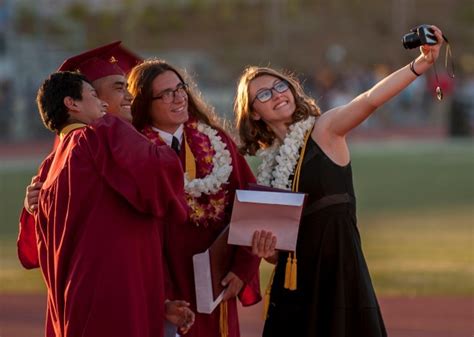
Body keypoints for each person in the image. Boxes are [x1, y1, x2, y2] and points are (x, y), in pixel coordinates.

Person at [235, 25, 444, 337]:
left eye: (280, 86)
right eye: (264, 94)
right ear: (253, 113)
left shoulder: (325, 130)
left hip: (337, 273)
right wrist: (267, 251)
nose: (277, 94)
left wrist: (420, 65)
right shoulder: (271, 167)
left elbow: (369, 100)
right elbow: (277, 252)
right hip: (294, 284)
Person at [18, 45, 195, 336]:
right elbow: (162, 174)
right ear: (75, 103)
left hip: (76, 307)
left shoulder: (49, 167)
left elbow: (38, 251)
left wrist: (157, 301)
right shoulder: (101, 134)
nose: (129, 96)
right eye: (117, 88)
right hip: (113, 305)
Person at [128, 59, 262, 337]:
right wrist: (162, 296)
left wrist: (242, 267)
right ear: (144, 103)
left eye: (180, 88)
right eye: (166, 93)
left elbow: (251, 202)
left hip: (216, 280)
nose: (178, 97)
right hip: (162, 281)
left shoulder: (217, 142)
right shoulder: (134, 154)